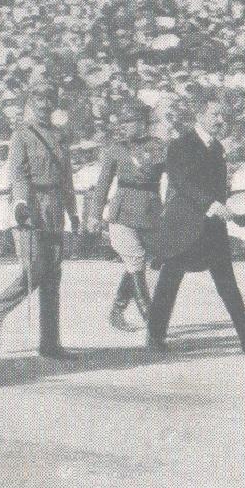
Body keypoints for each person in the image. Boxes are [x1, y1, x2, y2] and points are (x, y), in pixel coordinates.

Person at [146, 93, 245, 356]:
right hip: (183, 226)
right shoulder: (181, 144)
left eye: (222, 115)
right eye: (215, 114)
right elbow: (181, 182)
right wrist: (209, 203)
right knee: (169, 281)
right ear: (200, 116)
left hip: (212, 227)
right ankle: (155, 335)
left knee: (227, 282)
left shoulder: (217, 148)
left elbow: (216, 188)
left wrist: (230, 208)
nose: (220, 120)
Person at [0, 81, 82, 361]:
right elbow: (18, 174)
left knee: (53, 274)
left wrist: (73, 211)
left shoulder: (60, 136)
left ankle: (50, 342)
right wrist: (22, 203)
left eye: (49, 100)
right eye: (39, 100)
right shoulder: (22, 135)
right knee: (35, 268)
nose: (44, 105)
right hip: (31, 205)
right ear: (31, 102)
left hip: (56, 205)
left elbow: (67, 177)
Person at [91, 101, 165, 332]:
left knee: (140, 264)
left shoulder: (159, 147)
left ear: (143, 123)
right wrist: (95, 214)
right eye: (121, 122)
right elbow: (103, 183)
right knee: (135, 261)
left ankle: (116, 310)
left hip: (151, 211)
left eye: (129, 122)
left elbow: (175, 178)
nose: (123, 127)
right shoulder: (115, 149)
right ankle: (152, 322)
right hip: (122, 211)